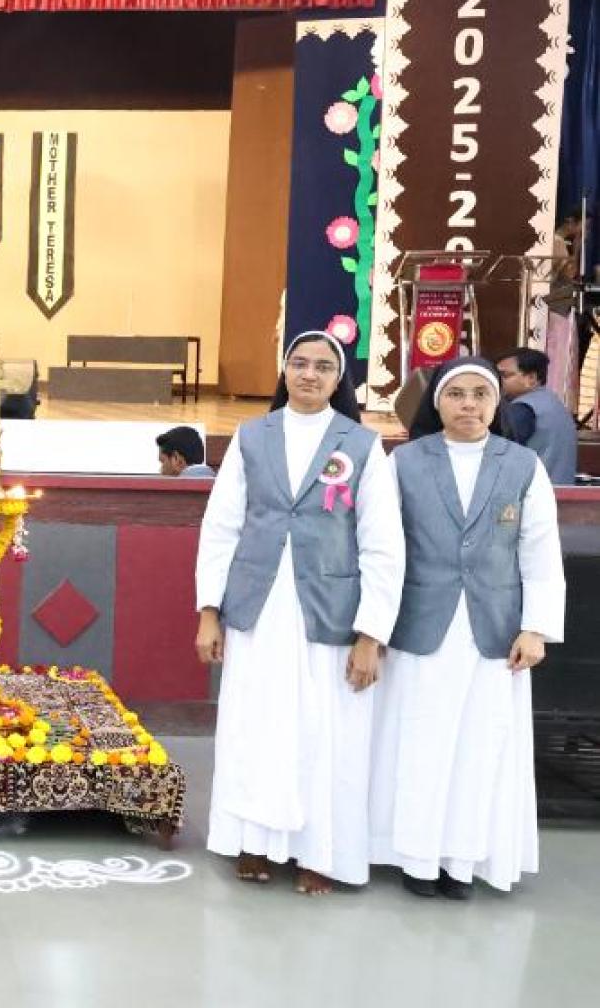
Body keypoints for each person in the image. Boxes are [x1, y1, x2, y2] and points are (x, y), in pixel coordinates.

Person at [193, 329, 404, 895]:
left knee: (325, 731)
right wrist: (209, 610)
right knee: (255, 726)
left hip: (329, 611)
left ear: (339, 380)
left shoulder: (362, 445)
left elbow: (383, 545)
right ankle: (253, 841)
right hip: (257, 608)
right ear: (284, 371)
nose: (310, 374)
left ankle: (320, 851)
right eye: (299, 363)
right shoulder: (252, 436)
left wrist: (370, 634)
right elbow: (221, 527)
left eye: (323, 367)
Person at [371, 357, 564, 898]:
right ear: (438, 403)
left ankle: (461, 862)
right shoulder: (404, 462)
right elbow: (383, 549)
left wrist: (536, 628)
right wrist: (374, 627)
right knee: (419, 744)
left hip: (495, 633)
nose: (469, 405)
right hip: (420, 625)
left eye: (481, 394)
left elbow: (540, 551)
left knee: (480, 749)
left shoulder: (523, 465)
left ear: (497, 403)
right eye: (457, 394)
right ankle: (415, 858)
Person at [495, 347, 578, 485]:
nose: (498, 381)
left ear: (531, 378)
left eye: (505, 376)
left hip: (534, 493)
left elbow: (497, 453)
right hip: (559, 489)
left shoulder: (524, 408)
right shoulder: (552, 403)